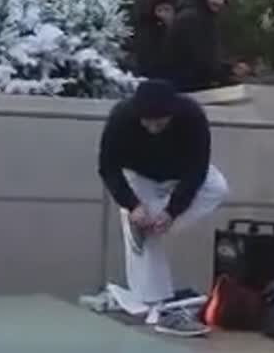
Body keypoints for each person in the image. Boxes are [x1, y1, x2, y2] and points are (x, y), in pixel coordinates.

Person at [97, 79, 229, 336]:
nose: (153, 128)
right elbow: (108, 168)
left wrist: (171, 212)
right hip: (140, 176)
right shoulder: (121, 117)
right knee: (144, 230)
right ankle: (158, 305)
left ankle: (147, 227)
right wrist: (132, 205)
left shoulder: (192, 116)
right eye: (147, 122)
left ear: (172, 113)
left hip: (180, 175)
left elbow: (197, 170)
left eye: (160, 122)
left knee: (218, 188)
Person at [166, 0, 251, 92]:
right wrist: (226, 76)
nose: (218, 1)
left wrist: (231, 68)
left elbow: (208, 57)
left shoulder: (205, 18)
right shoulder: (191, 18)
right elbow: (198, 59)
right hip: (186, 87)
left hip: (194, 84)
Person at [133, 0, 177, 80]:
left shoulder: (180, 30)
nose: (163, 14)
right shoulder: (149, 32)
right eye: (159, 10)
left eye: (167, 10)